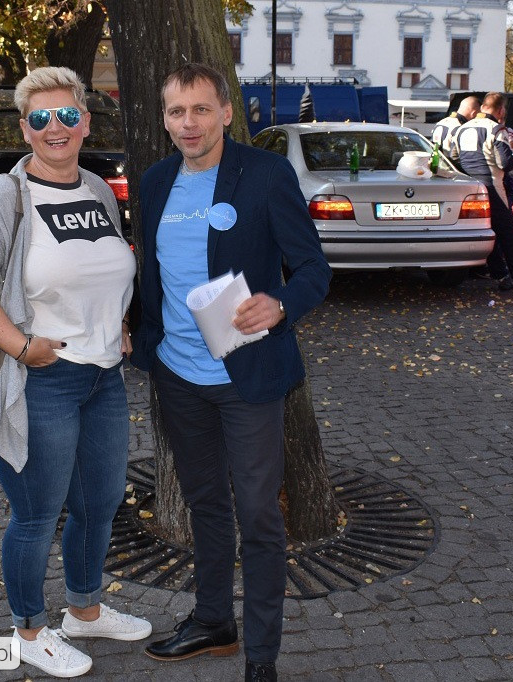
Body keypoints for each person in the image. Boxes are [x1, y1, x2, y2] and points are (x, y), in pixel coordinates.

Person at [131, 63, 331, 682]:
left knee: (260, 515)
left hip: (246, 381)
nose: (187, 123)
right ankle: (213, 620)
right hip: (177, 377)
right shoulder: (155, 182)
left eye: (199, 110)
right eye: (175, 112)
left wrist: (281, 304)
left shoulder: (266, 175)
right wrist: (133, 333)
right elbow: (150, 278)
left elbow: (314, 270)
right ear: (165, 118)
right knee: (205, 503)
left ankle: (262, 656)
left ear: (224, 112)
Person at [0, 66, 151, 678]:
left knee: (101, 502)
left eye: (67, 115)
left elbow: (104, 267)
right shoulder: (5, 197)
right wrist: (23, 346)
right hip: (42, 378)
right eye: (40, 118)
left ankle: (84, 611)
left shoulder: (96, 187)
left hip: (103, 377)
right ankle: (29, 627)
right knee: (37, 512)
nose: (55, 127)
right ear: (25, 128)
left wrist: (114, 320)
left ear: (86, 122)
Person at [455, 92, 513, 296]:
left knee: (488, 231)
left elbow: (454, 156)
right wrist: (512, 157)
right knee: (509, 234)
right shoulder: (496, 129)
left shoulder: (462, 129)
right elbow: (505, 163)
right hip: (493, 187)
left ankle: (501, 276)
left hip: (470, 189)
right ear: (501, 110)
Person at [430, 95, 480, 169]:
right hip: (453, 170)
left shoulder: (441, 122)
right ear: (474, 113)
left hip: (437, 167)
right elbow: (456, 156)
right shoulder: (462, 128)